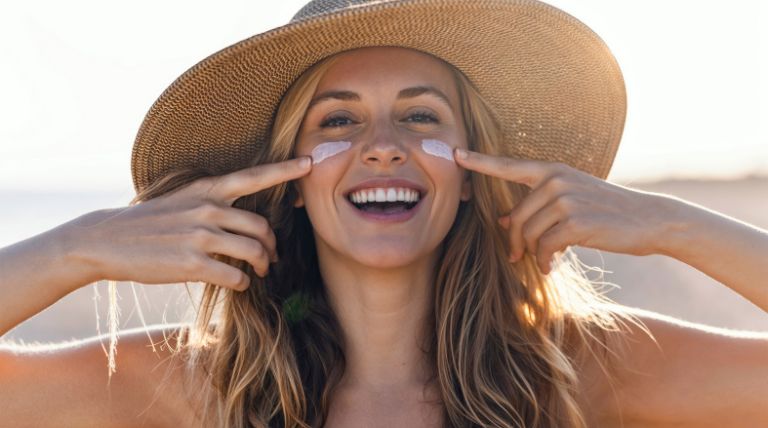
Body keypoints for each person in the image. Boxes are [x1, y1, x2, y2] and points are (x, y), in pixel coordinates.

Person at [1, 0, 767, 426]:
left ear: (473, 173)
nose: (382, 147)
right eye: (337, 121)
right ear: (289, 181)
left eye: (422, 117)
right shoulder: (201, 386)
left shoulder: (578, 371)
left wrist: (675, 226)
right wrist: (80, 248)